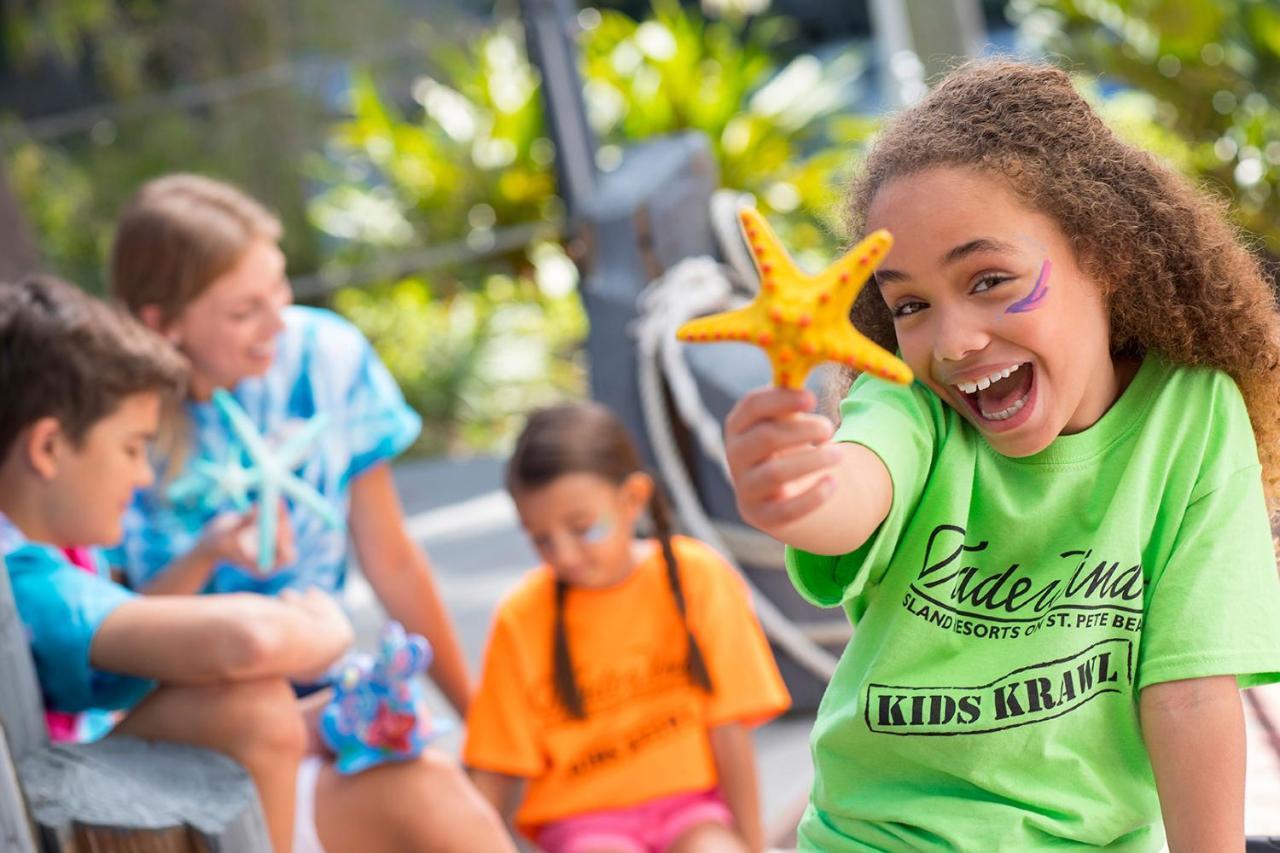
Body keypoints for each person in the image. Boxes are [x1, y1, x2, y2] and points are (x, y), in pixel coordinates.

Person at [724, 59, 1280, 851]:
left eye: (988, 278)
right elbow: (850, 491)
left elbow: (1190, 693)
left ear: (1105, 254)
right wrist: (792, 484)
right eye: (909, 303)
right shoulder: (908, 408)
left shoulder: (1190, 418)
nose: (952, 341)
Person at [0, 275, 348, 852]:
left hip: (58, 794)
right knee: (252, 707)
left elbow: (129, 625)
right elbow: (249, 640)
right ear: (48, 447)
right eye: (133, 448)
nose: (142, 476)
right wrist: (328, 629)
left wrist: (207, 551)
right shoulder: (22, 581)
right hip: (52, 823)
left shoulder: (52, 554)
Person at [107, 173, 471, 715]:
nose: (278, 321)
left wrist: (477, 716)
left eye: (278, 286)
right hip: (195, 708)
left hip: (319, 678)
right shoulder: (112, 424)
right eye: (243, 311)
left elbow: (391, 560)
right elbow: (111, 643)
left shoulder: (325, 356)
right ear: (163, 323)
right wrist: (207, 552)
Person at [465, 401, 791, 853]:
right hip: (585, 826)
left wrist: (751, 845)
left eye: (581, 528)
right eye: (541, 539)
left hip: (692, 812)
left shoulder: (698, 577)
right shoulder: (521, 614)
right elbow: (493, 770)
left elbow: (729, 733)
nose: (564, 556)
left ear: (632, 499)